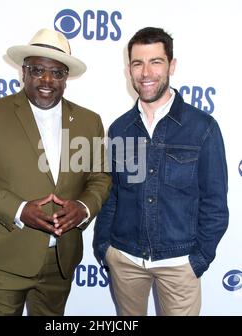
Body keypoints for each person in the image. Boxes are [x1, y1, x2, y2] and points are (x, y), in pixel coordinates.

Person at [0, 28, 111, 316]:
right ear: (24, 72)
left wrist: (84, 207)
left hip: (61, 260)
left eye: (57, 72)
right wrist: (18, 209)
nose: (47, 80)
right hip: (5, 257)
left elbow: (99, 177)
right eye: (38, 70)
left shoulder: (89, 122)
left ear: (66, 78)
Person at [93, 27, 228, 316]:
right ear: (128, 68)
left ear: (172, 65)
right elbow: (112, 194)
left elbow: (215, 203)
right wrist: (105, 247)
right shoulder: (120, 128)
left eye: (156, 61)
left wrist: (199, 259)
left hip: (180, 265)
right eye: (138, 63)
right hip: (125, 259)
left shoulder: (202, 127)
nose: (146, 73)